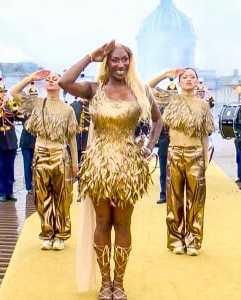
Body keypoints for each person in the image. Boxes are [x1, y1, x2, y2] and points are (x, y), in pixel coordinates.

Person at [58, 40, 162, 300]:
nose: (120, 64)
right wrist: (90, 57)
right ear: (107, 62)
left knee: (123, 223)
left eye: (124, 59)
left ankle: (120, 282)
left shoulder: (141, 91)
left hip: (129, 167)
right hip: (99, 166)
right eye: (114, 59)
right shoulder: (95, 89)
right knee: (103, 222)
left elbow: (159, 120)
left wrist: (149, 147)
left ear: (130, 61)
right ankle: (105, 283)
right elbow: (64, 82)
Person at [10, 69, 78, 251]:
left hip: (59, 155)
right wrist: (31, 77)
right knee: (42, 197)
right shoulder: (37, 103)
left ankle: (61, 235)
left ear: (62, 83)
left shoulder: (68, 109)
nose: (50, 81)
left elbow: (72, 138)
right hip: (40, 153)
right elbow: (14, 93)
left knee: (62, 197)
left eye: (55, 79)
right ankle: (47, 233)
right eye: (48, 79)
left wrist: (75, 164)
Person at [162, 67, 214, 256]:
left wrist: (206, 159)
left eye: (192, 77)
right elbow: (147, 89)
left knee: (196, 201)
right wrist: (165, 75)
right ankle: (175, 239)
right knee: (174, 199)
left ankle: (193, 240)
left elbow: (205, 134)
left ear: (197, 81)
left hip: (196, 154)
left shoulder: (203, 105)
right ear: (179, 81)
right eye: (185, 77)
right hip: (174, 153)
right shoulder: (171, 100)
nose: (189, 80)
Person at [0, 75, 22, 202]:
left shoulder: (11, 106)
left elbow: (19, 118)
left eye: (4, 92)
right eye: (1, 92)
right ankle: (2, 192)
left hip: (11, 140)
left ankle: (9, 191)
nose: (3, 94)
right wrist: (2, 105)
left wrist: (16, 109)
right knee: (0, 168)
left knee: (10, 167)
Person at [148, 71, 181, 204]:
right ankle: (164, 194)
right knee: (163, 170)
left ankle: (177, 195)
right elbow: (149, 86)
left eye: (174, 94)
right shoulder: (160, 102)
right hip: (163, 141)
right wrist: (165, 75)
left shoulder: (181, 103)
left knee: (178, 171)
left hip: (179, 141)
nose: (171, 97)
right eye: (169, 94)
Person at [19, 82, 38, 194]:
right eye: (32, 95)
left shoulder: (40, 108)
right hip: (27, 141)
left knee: (37, 164)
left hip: (37, 141)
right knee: (28, 164)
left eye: (35, 95)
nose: (34, 97)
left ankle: (36, 183)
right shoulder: (24, 109)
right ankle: (29, 186)